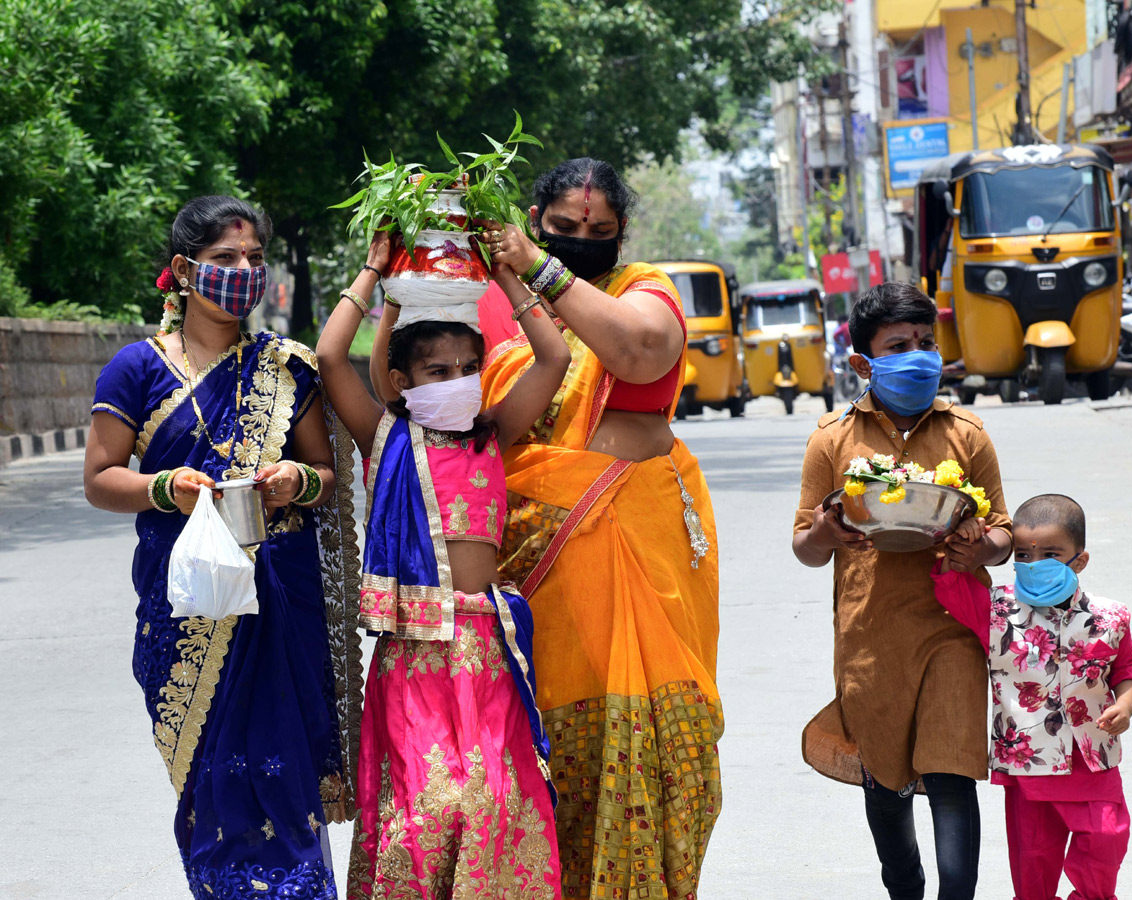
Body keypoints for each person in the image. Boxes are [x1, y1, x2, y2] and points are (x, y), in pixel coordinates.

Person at [83, 196, 362, 899]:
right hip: (184, 607)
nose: (245, 271)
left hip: (279, 603)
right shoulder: (136, 370)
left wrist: (296, 480)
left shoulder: (286, 368)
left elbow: (327, 477)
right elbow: (100, 479)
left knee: (283, 778)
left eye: (255, 259)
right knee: (214, 787)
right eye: (225, 259)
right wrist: (163, 488)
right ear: (184, 271)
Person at [467, 157, 722, 900]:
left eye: (600, 231)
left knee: (668, 754)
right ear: (532, 218)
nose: (582, 239)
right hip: (524, 557)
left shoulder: (643, 290)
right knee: (545, 762)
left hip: (632, 538)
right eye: (563, 228)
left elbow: (640, 351)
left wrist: (540, 267)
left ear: (622, 234)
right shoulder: (488, 302)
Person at [315, 227, 570, 899]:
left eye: (467, 369)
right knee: (426, 811)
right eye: (437, 371)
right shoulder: (385, 437)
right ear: (401, 381)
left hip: (486, 649)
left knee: (494, 804)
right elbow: (329, 355)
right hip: (415, 655)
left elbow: (553, 353)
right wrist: (375, 270)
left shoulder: (493, 435)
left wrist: (505, 273)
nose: (456, 382)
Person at [791, 282, 1013, 900]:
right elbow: (804, 547)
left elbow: (1004, 533)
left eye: (924, 342)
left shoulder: (967, 434)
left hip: (953, 626)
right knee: (885, 786)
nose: (918, 355)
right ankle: (905, 887)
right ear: (864, 361)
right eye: (899, 346)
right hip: (871, 635)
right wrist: (830, 532)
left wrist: (981, 546)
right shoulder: (832, 440)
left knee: (951, 776)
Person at [932, 494, 1132, 900]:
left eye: (1050, 553)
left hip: (1092, 758)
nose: (1035, 563)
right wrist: (964, 541)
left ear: (1079, 561)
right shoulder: (996, 610)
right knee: (1033, 862)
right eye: (1025, 553)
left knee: (1107, 838)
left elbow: (1128, 671)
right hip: (1029, 762)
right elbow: (950, 584)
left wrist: (1126, 705)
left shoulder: (1111, 617)